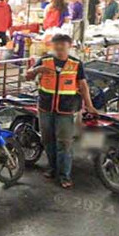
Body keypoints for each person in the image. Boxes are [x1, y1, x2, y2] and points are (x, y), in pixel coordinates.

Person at [26, 33, 98, 188]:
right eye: (56, 44)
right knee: (47, 140)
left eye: (62, 44)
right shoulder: (44, 61)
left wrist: (89, 105)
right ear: (52, 45)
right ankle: (52, 168)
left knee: (64, 143)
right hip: (45, 108)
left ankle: (64, 175)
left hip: (67, 110)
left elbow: (83, 86)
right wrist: (37, 69)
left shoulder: (76, 64)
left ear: (69, 46)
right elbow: (27, 76)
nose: (59, 47)